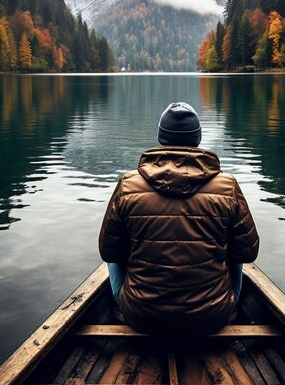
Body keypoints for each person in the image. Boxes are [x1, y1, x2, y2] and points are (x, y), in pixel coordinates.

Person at [98, 102, 259, 334]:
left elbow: (109, 252)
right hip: (212, 316)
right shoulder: (228, 187)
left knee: (115, 250)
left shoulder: (128, 185)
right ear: (197, 139)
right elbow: (248, 252)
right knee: (236, 252)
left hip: (141, 314)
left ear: (161, 138)